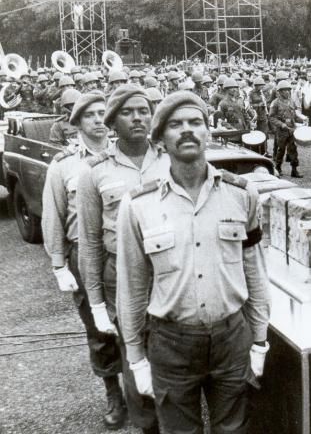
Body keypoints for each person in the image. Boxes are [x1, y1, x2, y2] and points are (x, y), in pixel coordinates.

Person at [116, 91, 270, 434]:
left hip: (232, 337)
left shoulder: (242, 194)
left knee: (234, 429)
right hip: (171, 343)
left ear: (208, 132)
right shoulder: (138, 205)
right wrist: (135, 357)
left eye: (195, 122)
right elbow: (132, 287)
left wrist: (259, 339)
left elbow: (254, 272)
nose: (187, 131)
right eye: (175, 125)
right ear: (160, 139)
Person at [77, 84, 169, 434]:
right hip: (122, 276)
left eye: (143, 110)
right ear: (113, 121)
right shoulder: (94, 171)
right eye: (128, 112)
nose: (137, 118)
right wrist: (97, 302)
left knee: (173, 350)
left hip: (169, 270)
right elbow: (89, 241)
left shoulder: (169, 157)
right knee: (135, 355)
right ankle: (148, 425)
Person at [41, 92, 125, 430]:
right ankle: (114, 395)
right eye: (89, 115)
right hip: (85, 254)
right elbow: (53, 215)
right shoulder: (64, 165)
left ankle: (141, 390)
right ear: (76, 123)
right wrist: (59, 264)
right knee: (99, 328)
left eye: (102, 113)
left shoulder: (123, 156)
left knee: (138, 321)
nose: (97, 120)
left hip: (123, 251)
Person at [268, 80, 307, 177]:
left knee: (293, 149)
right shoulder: (275, 103)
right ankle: (277, 168)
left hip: (291, 129)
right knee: (281, 150)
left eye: (288, 90)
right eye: (285, 90)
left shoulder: (291, 101)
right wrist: (281, 125)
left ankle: (294, 170)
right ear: (280, 92)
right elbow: (271, 117)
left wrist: (302, 120)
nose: (287, 92)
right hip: (282, 130)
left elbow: (294, 114)